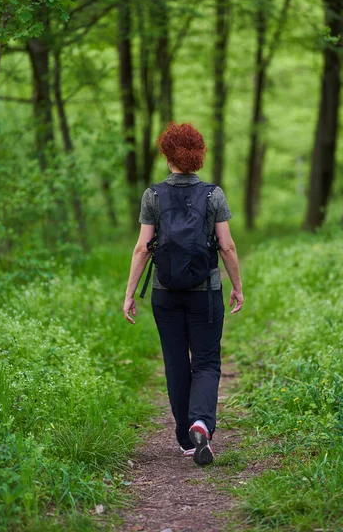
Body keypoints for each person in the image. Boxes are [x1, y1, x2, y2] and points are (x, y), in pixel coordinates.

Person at [123, 122, 243, 466]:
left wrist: (130, 294)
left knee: (176, 364)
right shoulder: (213, 195)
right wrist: (236, 287)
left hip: (165, 292)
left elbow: (142, 249)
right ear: (199, 155)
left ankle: (184, 440)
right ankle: (202, 423)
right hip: (206, 292)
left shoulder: (153, 195)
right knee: (206, 362)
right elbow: (228, 246)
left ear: (167, 154)